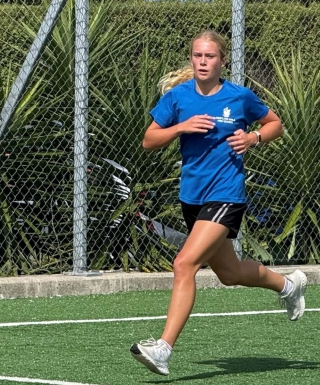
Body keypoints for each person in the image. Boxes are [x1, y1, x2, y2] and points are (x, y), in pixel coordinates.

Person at [130, 30, 307, 376]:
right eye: (197, 56)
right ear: (191, 59)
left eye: (209, 56)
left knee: (184, 264)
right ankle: (289, 285)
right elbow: (149, 140)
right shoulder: (178, 97)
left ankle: (163, 349)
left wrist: (254, 137)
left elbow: (275, 124)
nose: (202, 62)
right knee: (229, 273)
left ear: (222, 61)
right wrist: (181, 127)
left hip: (226, 195)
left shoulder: (239, 97)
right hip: (192, 198)